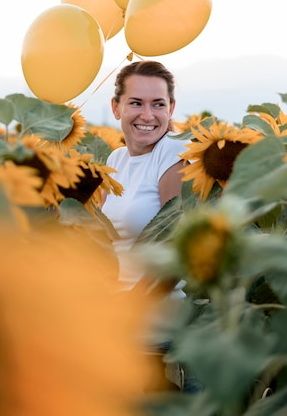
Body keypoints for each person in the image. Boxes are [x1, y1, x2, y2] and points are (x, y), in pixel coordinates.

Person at [102, 60, 192, 391]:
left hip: (155, 334)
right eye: (136, 103)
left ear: (171, 109)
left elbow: (176, 247)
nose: (148, 115)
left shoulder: (172, 152)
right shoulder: (115, 160)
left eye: (158, 104)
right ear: (116, 107)